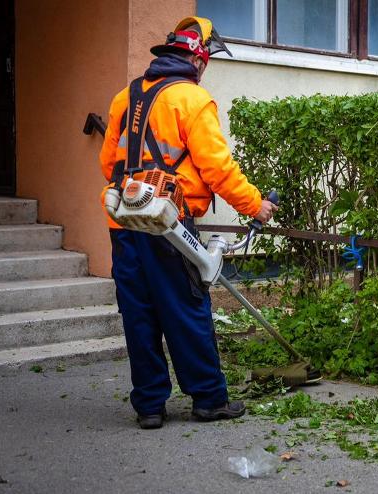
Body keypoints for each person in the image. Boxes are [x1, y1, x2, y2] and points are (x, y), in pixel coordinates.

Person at [99, 16, 277, 429]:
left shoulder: (124, 98)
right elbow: (218, 170)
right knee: (186, 308)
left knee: (139, 313)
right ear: (197, 59)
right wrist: (255, 206)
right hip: (169, 225)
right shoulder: (193, 100)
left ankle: (148, 407)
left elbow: (108, 163)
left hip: (123, 222)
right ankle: (210, 400)